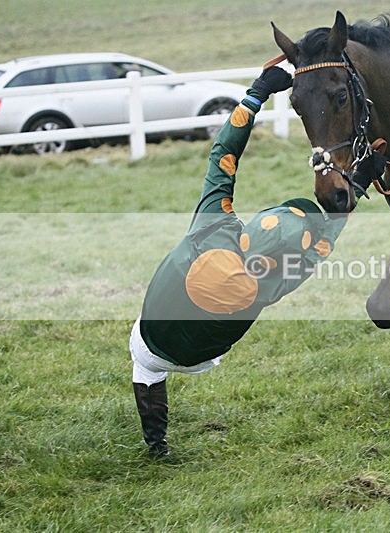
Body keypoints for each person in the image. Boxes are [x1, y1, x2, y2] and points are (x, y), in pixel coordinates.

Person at [129, 66, 357, 457]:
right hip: (204, 359)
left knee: (147, 361)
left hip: (149, 341)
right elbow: (323, 246)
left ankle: (156, 442)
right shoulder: (274, 283)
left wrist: (256, 95)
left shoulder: (212, 224)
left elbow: (224, 152)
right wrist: (355, 190)